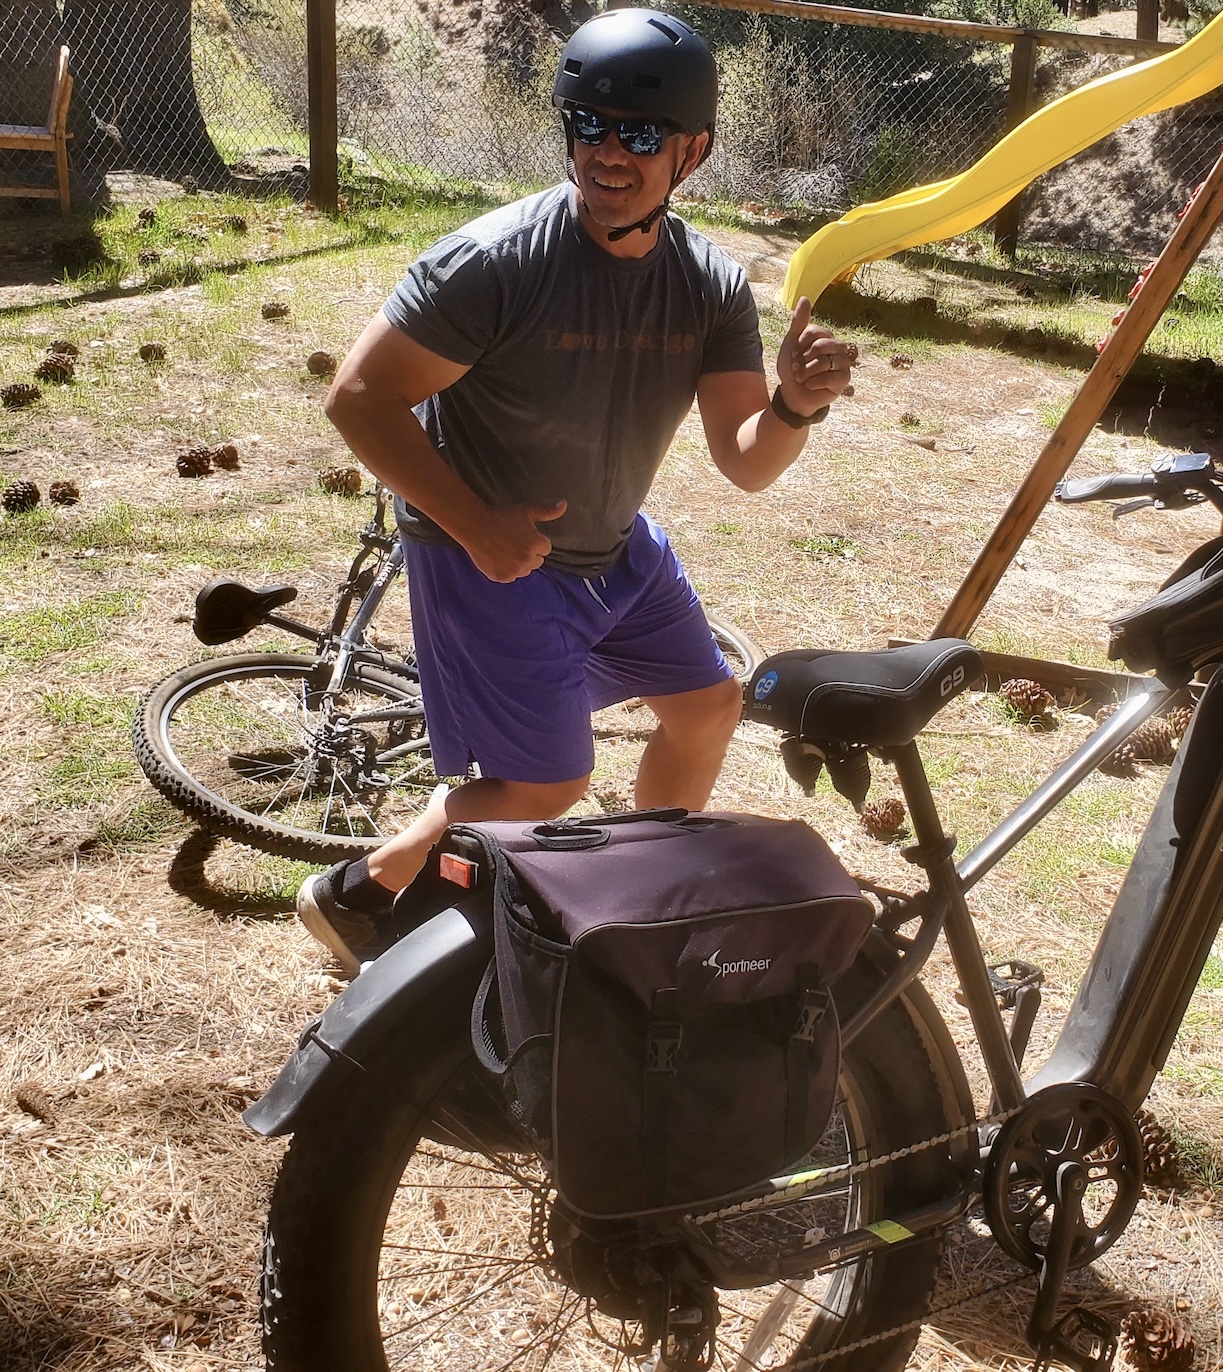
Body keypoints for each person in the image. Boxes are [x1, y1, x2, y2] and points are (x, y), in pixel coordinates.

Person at [296, 7, 854, 975]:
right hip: (487, 556)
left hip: (617, 550)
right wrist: (477, 526)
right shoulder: (494, 264)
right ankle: (357, 892)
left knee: (707, 708)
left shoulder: (708, 284)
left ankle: (635, 900)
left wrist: (794, 406)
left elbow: (746, 459)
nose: (608, 152)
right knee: (544, 786)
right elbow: (358, 397)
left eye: (638, 133)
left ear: (692, 151)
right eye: (588, 124)